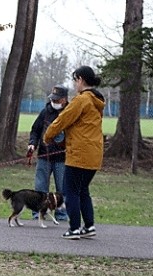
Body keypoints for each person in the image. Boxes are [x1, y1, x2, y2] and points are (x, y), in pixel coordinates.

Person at [44, 65, 105, 240]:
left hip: (79, 154)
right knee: (83, 191)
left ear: (80, 79)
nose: (75, 84)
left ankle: (74, 228)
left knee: (70, 191)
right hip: (94, 154)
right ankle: (89, 226)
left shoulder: (82, 100)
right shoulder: (97, 101)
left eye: (75, 80)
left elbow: (63, 119)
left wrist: (48, 136)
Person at [28, 85, 69, 221]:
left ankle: (62, 215)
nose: (54, 102)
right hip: (44, 156)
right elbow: (35, 130)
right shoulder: (45, 112)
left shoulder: (71, 112)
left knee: (62, 188)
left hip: (63, 158)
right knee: (40, 188)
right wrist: (32, 143)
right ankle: (38, 213)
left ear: (64, 100)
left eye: (57, 100)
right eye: (53, 99)